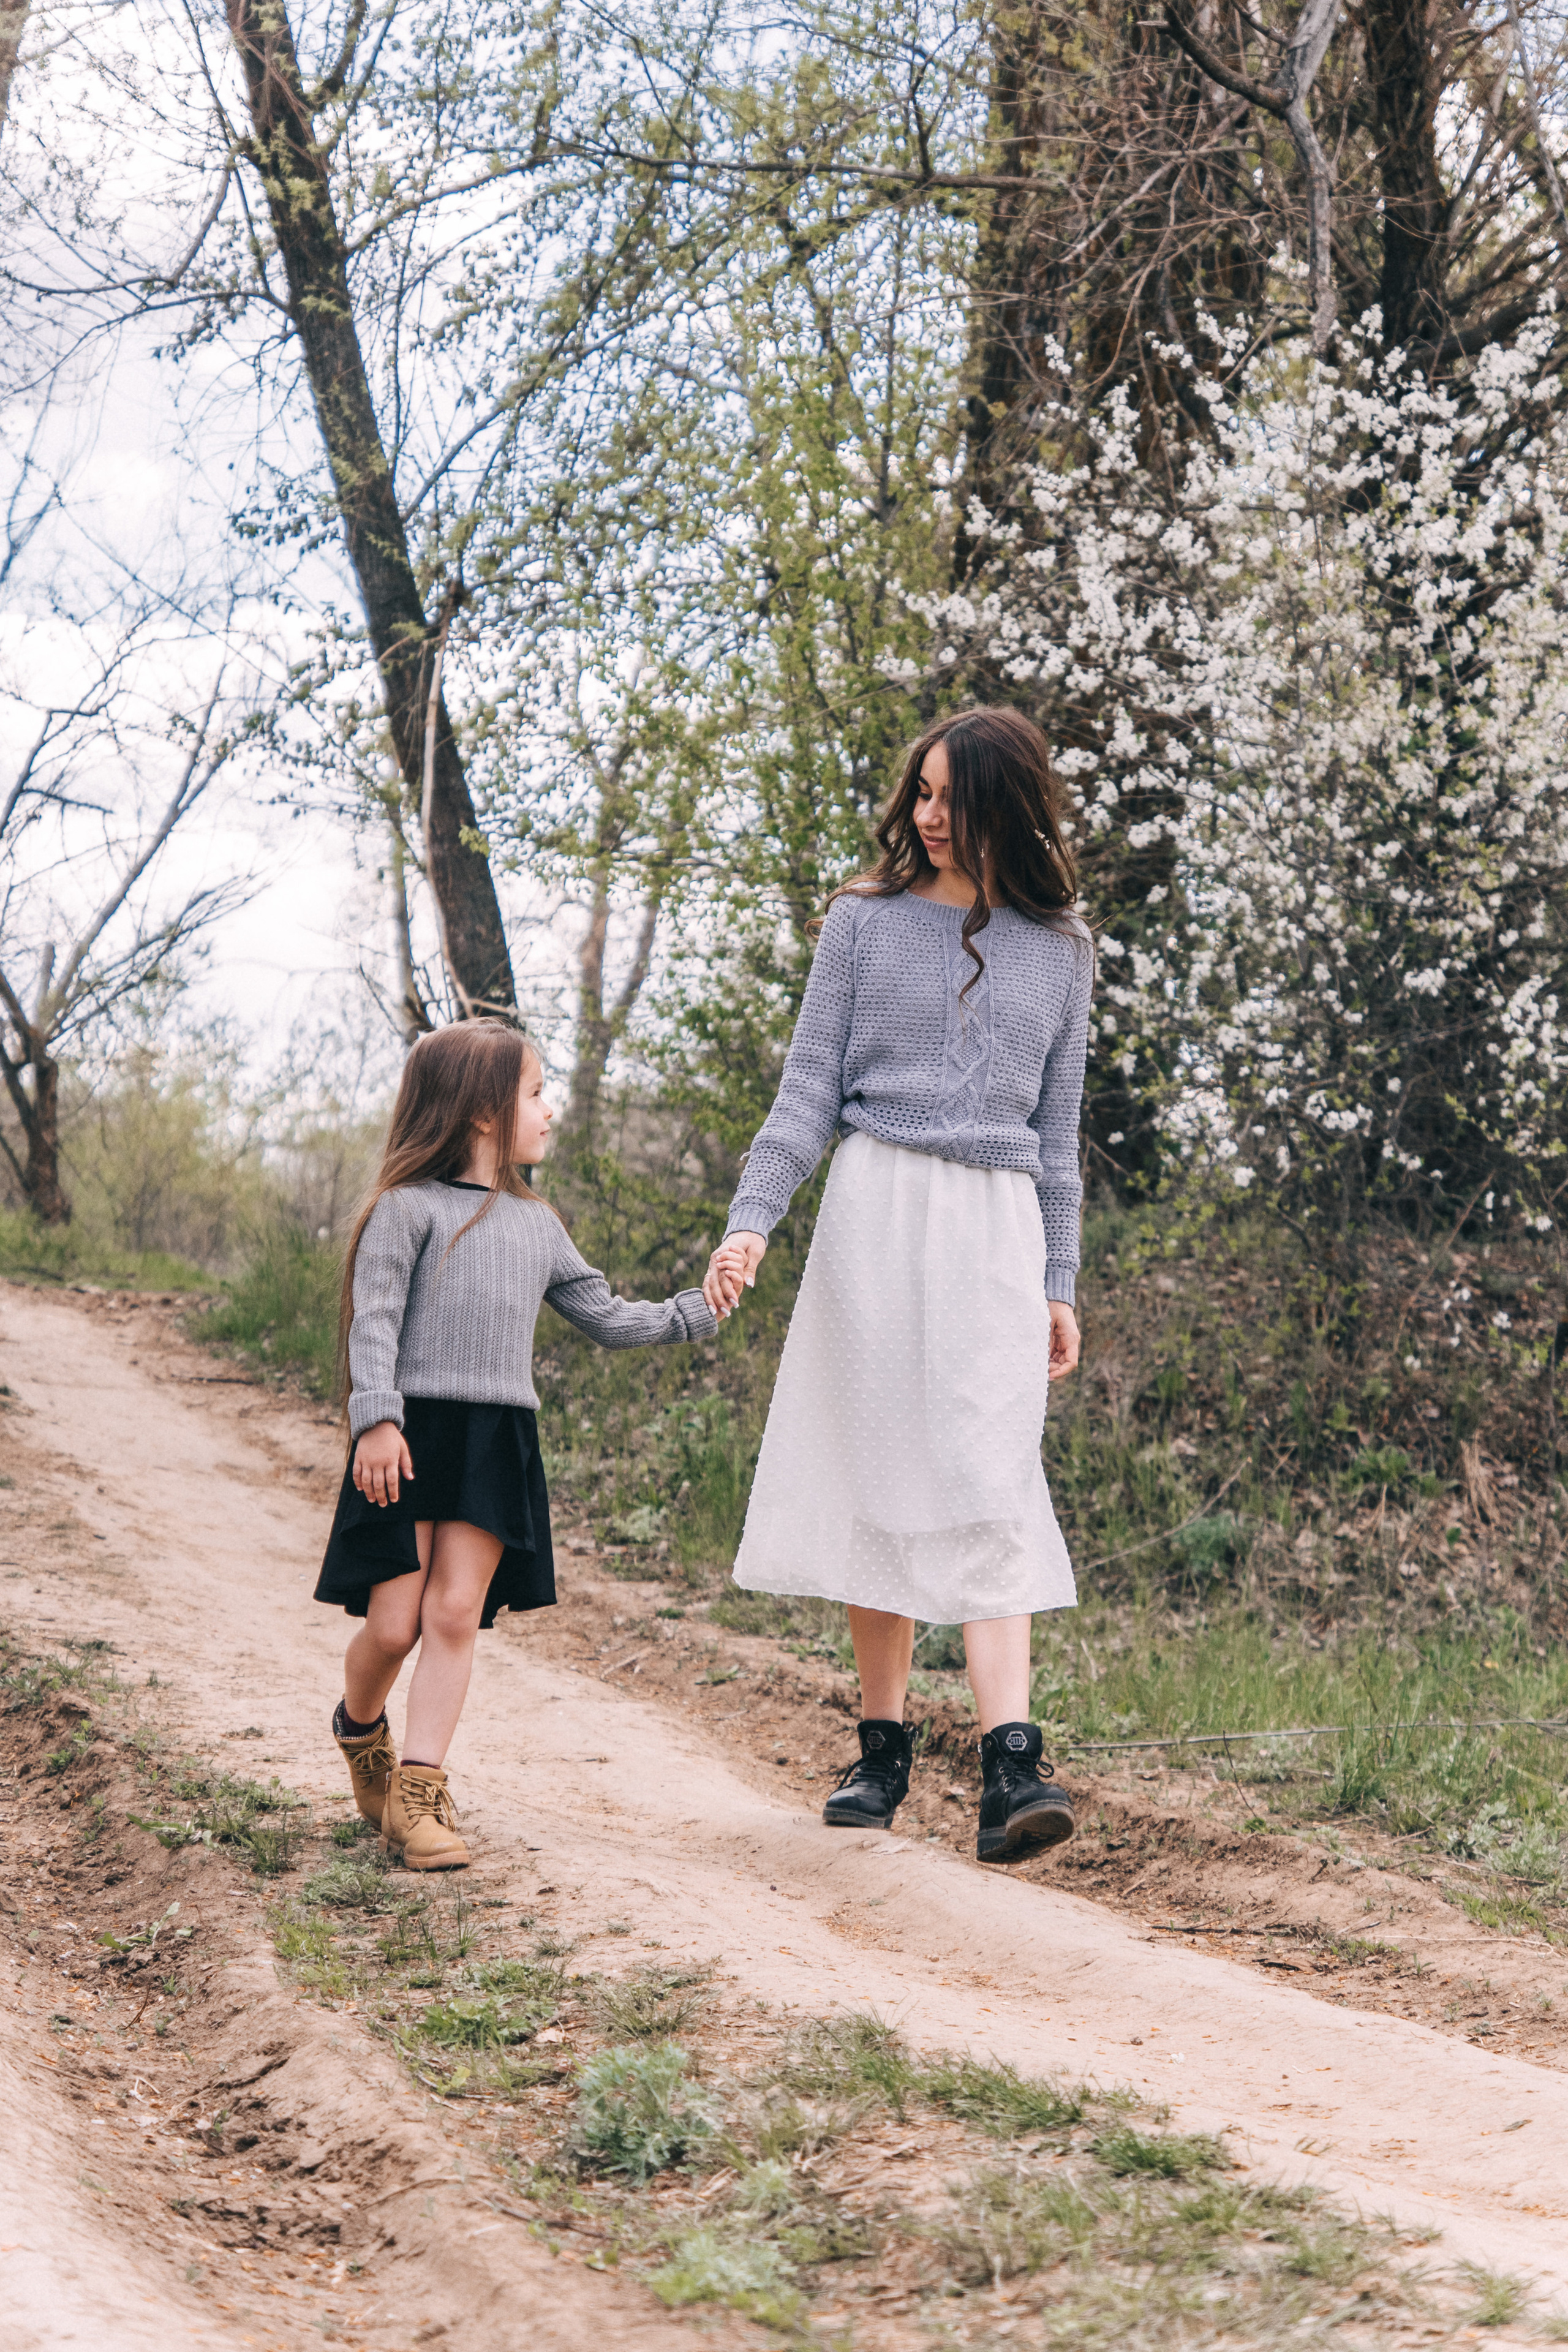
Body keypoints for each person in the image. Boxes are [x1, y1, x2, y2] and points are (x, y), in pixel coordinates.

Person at [703, 707, 1091, 1863]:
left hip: (996, 1232)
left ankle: (1011, 1767)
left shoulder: (1063, 946)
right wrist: (750, 1225)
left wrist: (1059, 1279)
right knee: (878, 1469)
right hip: (873, 1213)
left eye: (949, 799)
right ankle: (881, 1751)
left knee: (990, 1471)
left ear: (1004, 807)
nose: (926, 816)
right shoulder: (862, 923)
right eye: (919, 792)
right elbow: (805, 1093)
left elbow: (1058, 1136)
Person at [317, 1020, 717, 1869]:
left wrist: (698, 1309)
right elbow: (375, 1318)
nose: (549, 1110)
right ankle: (360, 1730)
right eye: (535, 1093)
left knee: (454, 1613)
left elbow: (607, 1317)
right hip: (409, 1433)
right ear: (483, 1112)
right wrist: (375, 1419)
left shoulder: (538, 1225)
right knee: (393, 1626)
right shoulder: (406, 1209)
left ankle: (420, 1792)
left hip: (495, 1437)